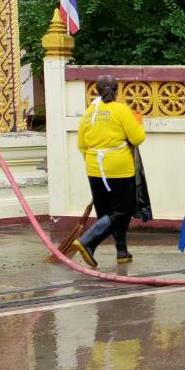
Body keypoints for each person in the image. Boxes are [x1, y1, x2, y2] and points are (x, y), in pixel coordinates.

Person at [70, 75, 147, 268]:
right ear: (117, 90)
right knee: (124, 210)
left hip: (94, 167)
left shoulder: (90, 112)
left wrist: (93, 163)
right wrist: (138, 123)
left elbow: (81, 144)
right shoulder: (121, 110)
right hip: (119, 167)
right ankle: (88, 241)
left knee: (106, 214)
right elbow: (137, 138)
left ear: (96, 90)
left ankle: (121, 251)